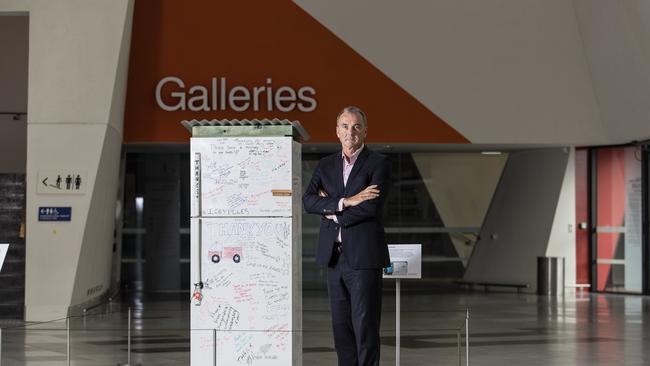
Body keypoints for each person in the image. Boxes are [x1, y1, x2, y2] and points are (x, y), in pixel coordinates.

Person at [303, 106, 390, 365]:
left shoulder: (378, 164)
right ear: (336, 131)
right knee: (341, 328)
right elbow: (308, 201)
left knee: (365, 327)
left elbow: (371, 208)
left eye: (356, 126)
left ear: (365, 130)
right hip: (334, 259)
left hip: (364, 258)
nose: (350, 132)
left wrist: (330, 208)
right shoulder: (325, 165)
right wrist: (346, 201)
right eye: (344, 126)